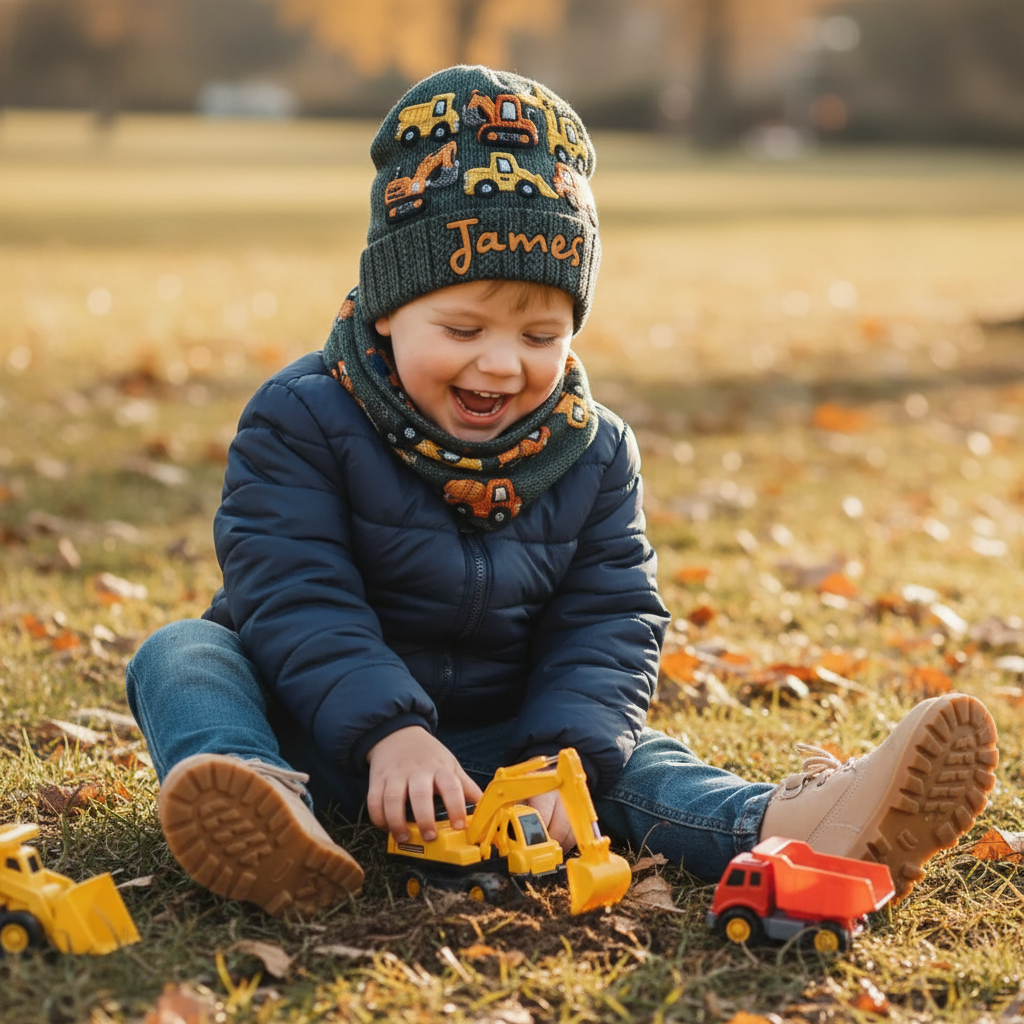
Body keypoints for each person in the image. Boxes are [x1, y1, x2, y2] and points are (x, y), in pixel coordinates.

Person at [126, 65, 998, 918]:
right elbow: (293, 594)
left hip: (493, 745)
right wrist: (388, 729)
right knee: (182, 655)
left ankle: (792, 824)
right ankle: (261, 803)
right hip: (310, 721)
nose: (501, 363)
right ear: (387, 309)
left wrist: (559, 759)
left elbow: (610, 617)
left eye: (542, 334)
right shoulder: (303, 417)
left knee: (634, 760)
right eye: (462, 327)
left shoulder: (592, 448)